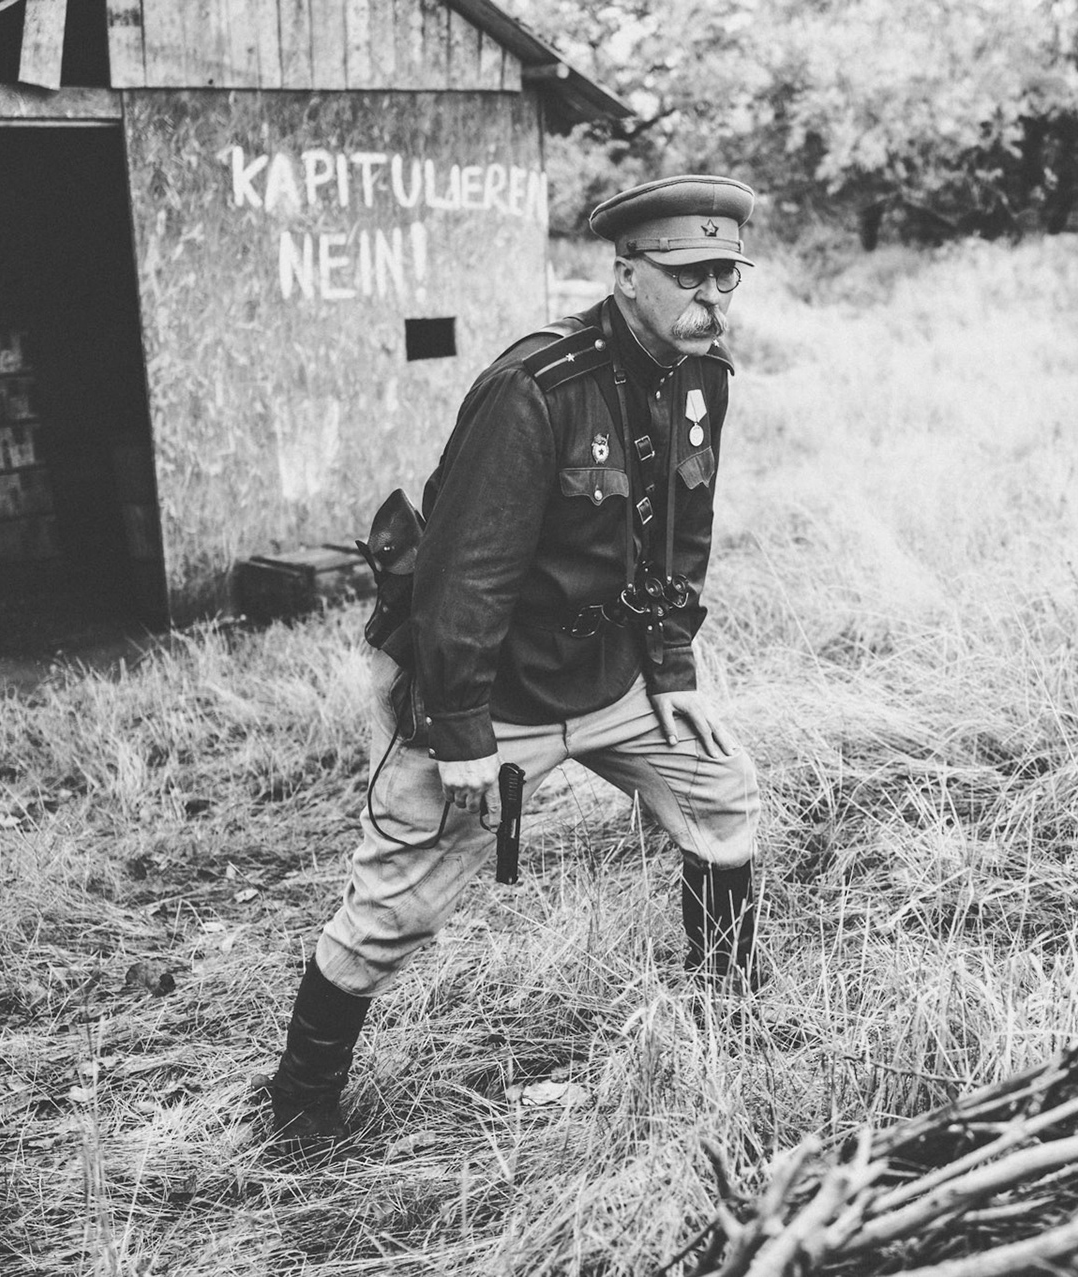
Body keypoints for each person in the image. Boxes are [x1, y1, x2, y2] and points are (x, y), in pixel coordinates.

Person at [262, 174, 767, 1160]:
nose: (712, 299)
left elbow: (682, 535)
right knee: (394, 903)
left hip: (615, 677)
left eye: (726, 277)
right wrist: (458, 730)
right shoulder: (536, 387)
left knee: (723, 794)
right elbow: (464, 574)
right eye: (689, 276)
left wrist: (672, 669)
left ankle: (721, 1020)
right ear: (626, 273)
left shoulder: (701, 376)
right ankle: (299, 1108)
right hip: (494, 693)